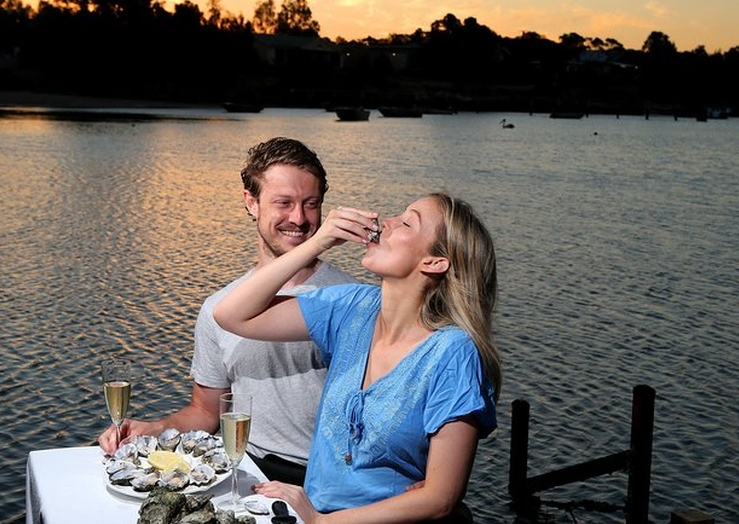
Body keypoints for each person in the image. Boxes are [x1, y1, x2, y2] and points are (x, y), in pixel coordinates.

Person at [213, 193, 502, 523]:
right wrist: (316, 243)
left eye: (406, 222)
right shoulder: (352, 307)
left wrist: (322, 522)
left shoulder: (453, 354)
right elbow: (232, 315)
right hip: (314, 514)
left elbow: (440, 497)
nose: (385, 222)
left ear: (434, 262)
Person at [97, 137, 358, 485]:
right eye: (284, 202)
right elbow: (206, 412)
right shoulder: (217, 309)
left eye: (311, 204)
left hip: (329, 481)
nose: (298, 218)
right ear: (251, 202)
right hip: (245, 473)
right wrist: (154, 428)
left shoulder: (353, 299)